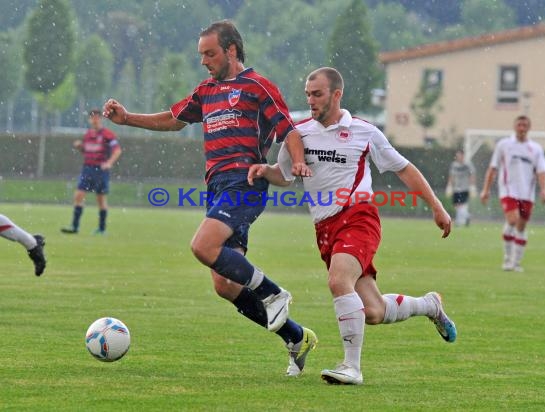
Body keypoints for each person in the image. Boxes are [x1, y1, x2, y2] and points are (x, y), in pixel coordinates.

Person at [102, 20, 317, 376]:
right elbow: (174, 119)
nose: (204, 61)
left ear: (231, 50)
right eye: (201, 54)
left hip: (244, 182)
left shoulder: (257, 86)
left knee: (202, 246)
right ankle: (296, 337)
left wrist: (296, 160)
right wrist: (127, 119)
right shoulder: (206, 91)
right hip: (217, 187)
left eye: (210, 53)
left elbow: (287, 130)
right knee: (225, 284)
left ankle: (274, 293)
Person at [248, 67, 457, 385]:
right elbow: (285, 176)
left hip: (359, 217)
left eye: (317, 94)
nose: (311, 99)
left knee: (338, 280)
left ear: (336, 94)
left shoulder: (364, 132)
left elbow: (404, 168)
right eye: (307, 94)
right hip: (325, 228)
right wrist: (266, 171)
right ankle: (429, 305)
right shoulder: (299, 133)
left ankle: (351, 367)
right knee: (372, 311)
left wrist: (436, 206)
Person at [480, 115, 545, 272]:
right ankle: (507, 259)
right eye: (519, 125)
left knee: (521, 227)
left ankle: (516, 262)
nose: (522, 128)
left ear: (529, 127)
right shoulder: (504, 145)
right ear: (514, 126)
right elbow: (493, 168)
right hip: (508, 190)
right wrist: (485, 189)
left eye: (525, 125)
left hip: (527, 193)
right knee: (512, 220)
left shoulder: (536, 148)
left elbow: (542, 171)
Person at [61, 109, 122, 235]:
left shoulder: (107, 134)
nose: (94, 120)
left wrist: (109, 163)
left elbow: (117, 150)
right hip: (87, 169)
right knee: (78, 196)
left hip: (100, 170)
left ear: (101, 119)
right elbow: (87, 151)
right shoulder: (88, 134)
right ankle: (75, 226)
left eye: (97, 117)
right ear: (89, 119)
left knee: (100, 200)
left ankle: (101, 229)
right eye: (92, 117)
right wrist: (80, 147)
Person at [445, 149, 476, 226]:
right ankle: (466, 216)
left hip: (465, 188)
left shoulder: (468, 165)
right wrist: (449, 186)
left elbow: (472, 175)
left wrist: (472, 186)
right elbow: (451, 176)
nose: (458, 157)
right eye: (457, 156)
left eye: (460, 155)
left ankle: (459, 221)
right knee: (457, 205)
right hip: (456, 188)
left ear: (463, 156)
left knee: (462, 205)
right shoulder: (454, 165)